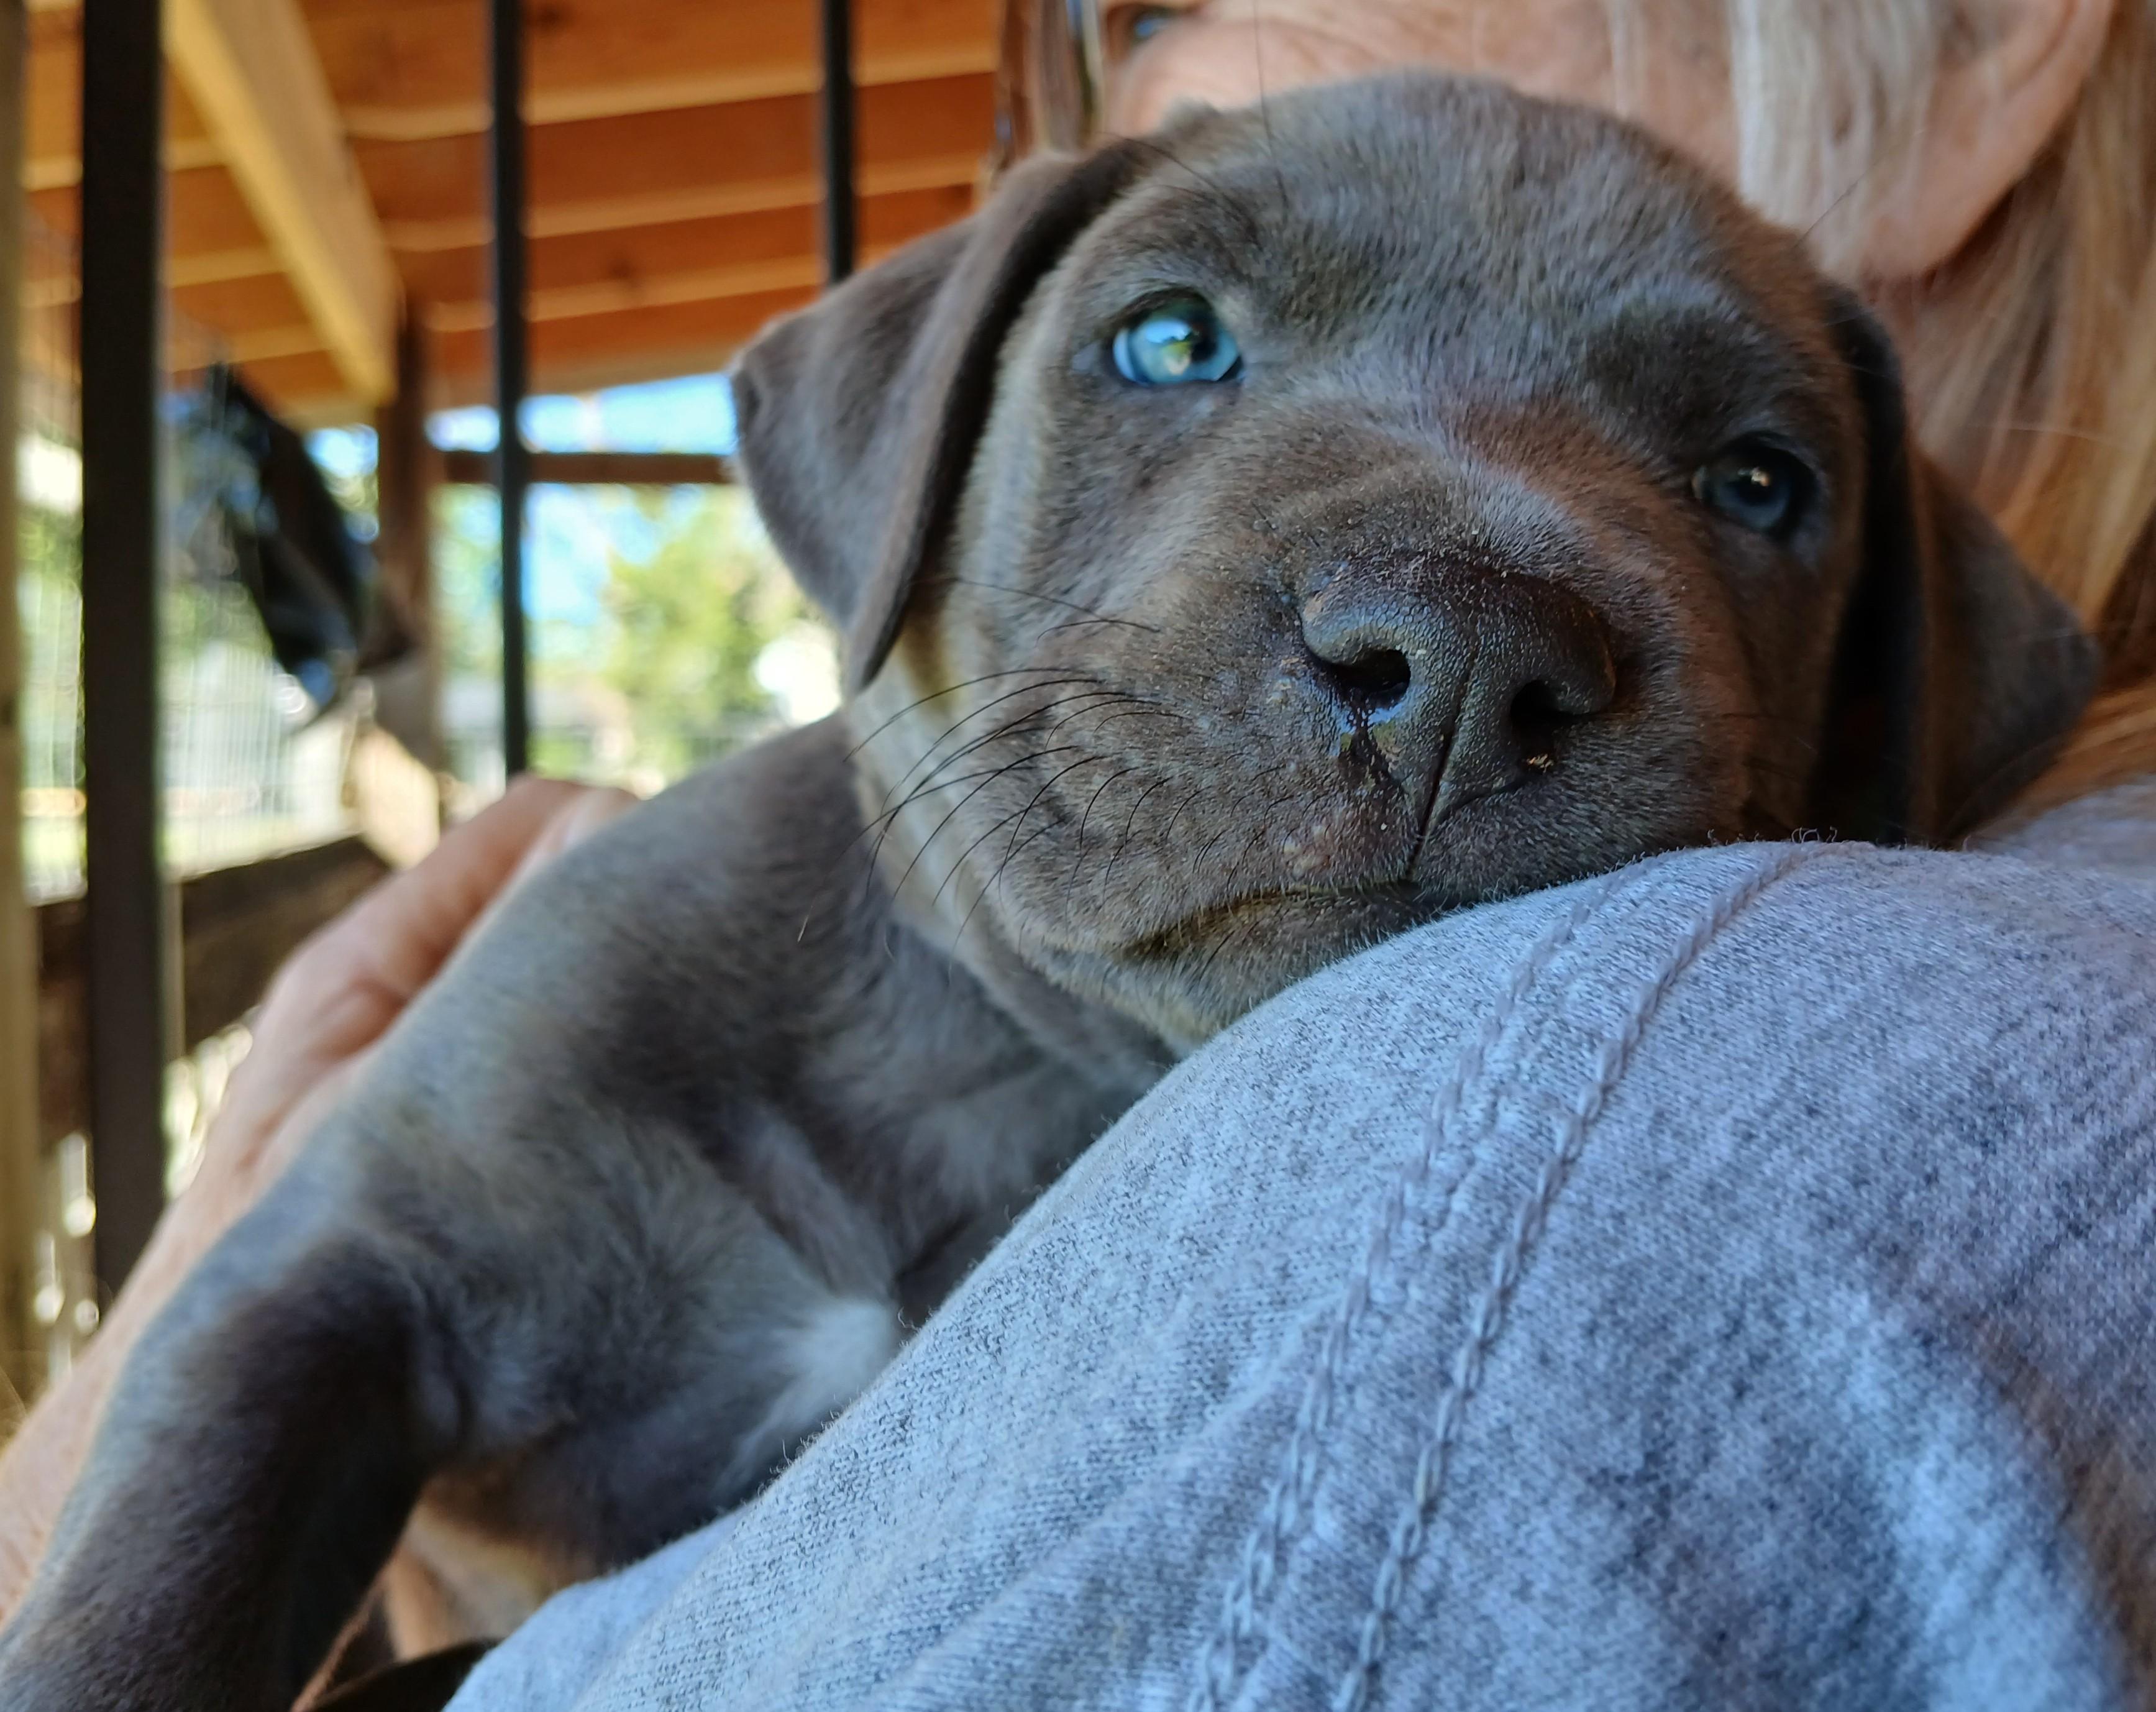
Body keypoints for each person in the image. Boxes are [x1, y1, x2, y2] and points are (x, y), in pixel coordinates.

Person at [3, 2, 2154, 1707]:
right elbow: (327, 1317)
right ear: (903, 469)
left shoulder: (1577, 1149)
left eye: (1750, 483)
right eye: (1174, 340)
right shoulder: (660, 959)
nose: (1453, 643)